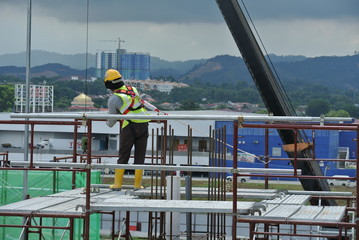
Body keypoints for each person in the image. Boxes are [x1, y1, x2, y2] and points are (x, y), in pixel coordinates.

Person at [104, 69, 160, 190]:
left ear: (108, 84)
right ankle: (137, 185)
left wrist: (107, 121)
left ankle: (118, 184)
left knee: (124, 155)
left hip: (129, 126)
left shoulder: (113, 99)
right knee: (140, 155)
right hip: (144, 124)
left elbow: (111, 122)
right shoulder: (132, 89)